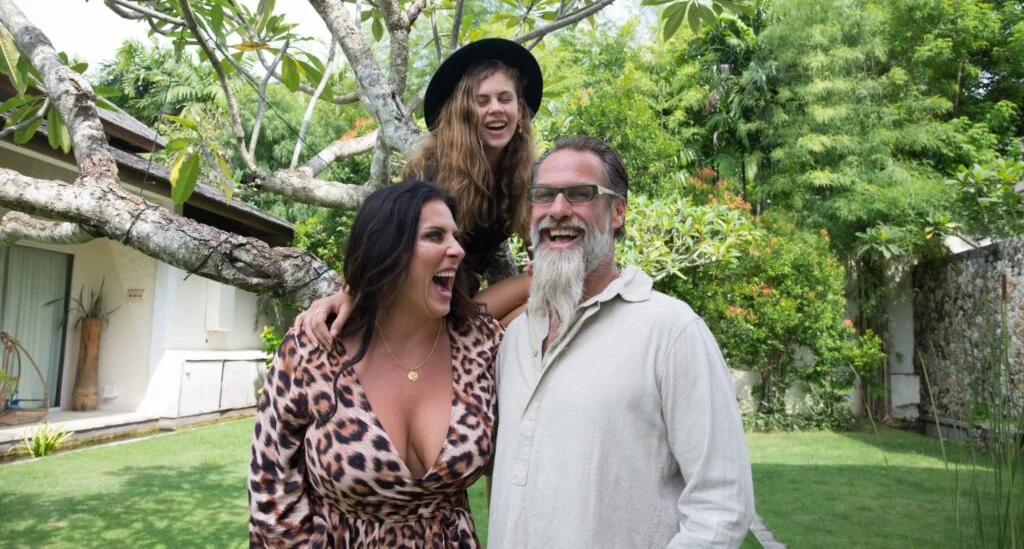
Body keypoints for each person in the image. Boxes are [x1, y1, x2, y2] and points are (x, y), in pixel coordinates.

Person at [487, 136, 755, 548]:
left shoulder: (670, 331)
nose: (557, 210)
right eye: (544, 195)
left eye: (580, 194)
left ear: (617, 212)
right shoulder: (518, 337)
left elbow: (722, 504)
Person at [249, 181, 505, 548]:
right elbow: (271, 498)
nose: (458, 249)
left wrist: (534, 278)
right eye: (435, 235)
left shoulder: (481, 344)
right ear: (386, 248)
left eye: (456, 236)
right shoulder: (313, 349)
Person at [297, 38, 542, 341]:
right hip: (439, 302)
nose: (495, 109)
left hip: (469, 299)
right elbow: (387, 236)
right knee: (546, 285)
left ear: (519, 107)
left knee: (549, 304)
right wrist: (349, 293)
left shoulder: (524, 173)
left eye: (505, 99)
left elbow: (541, 238)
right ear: (463, 110)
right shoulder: (432, 170)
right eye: (482, 101)